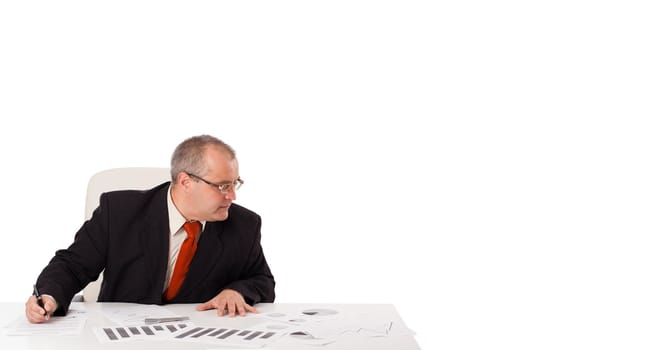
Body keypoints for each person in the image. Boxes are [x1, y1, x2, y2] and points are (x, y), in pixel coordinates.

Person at [25, 135, 275, 323]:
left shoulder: (244, 225)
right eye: (222, 186)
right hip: (121, 336)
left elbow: (263, 280)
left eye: (235, 184)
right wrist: (49, 296)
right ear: (186, 182)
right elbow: (72, 265)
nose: (232, 196)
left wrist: (237, 291)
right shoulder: (119, 211)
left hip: (196, 338)